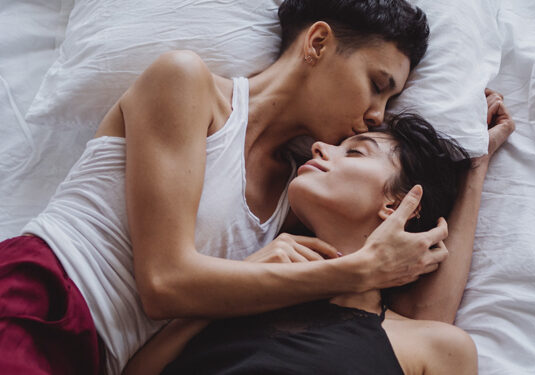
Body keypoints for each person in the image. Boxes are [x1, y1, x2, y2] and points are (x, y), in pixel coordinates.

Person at [0, 0, 510, 373]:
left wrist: (474, 168)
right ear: (317, 42)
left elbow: (421, 318)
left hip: (107, 360)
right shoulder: (187, 85)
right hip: (43, 297)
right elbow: (164, 284)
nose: (376, 115)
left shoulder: (299, 195)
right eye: (377, 85)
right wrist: (353, 272)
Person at [122, 103, 514, 375]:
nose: (319, 146)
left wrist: (474, 165)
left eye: (357, 153)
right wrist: (238, 284)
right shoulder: (244, 295)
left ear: (400, 204)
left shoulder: (433, 345)